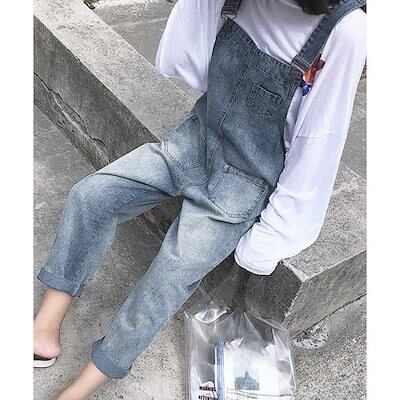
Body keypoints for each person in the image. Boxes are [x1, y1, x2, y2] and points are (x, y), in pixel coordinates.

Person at [33, 0, 367, 398]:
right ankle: (46, 325)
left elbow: (319, 141)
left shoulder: (346, 31)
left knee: (169, 276)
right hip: (193, 141)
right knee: (92, 195)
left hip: (242, 183)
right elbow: (183, 60)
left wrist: (272, 236)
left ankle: (86, 382)